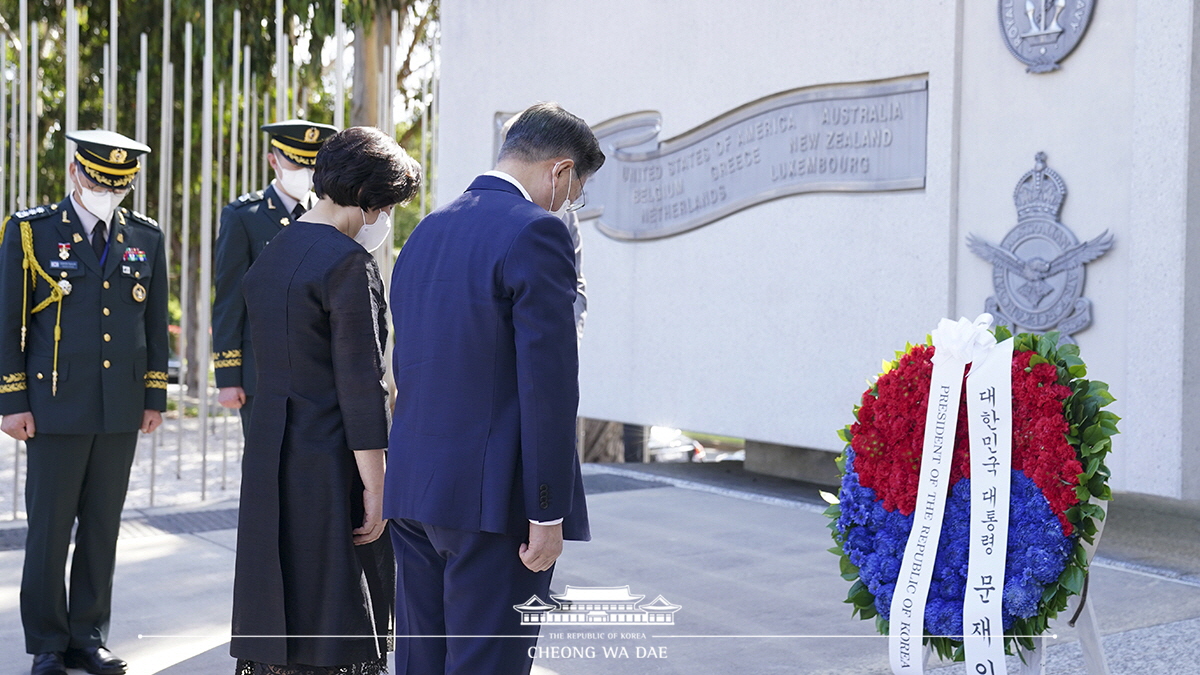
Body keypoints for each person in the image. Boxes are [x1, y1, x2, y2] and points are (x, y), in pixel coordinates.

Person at [384, 101, 604, 675]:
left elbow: (411, 365)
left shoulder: (426, 231)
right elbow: (548, 387)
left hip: (414, 488)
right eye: (574, 190)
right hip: (492, 501)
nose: (568, 204)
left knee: (420, 663)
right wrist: (548, 512)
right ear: (559, 170)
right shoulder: (537, 232)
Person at [230, 126, 421, 675]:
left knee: (278, 601)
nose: (386, 220)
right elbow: (361, 388)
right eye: (387, 206)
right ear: (368, 201)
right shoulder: (346, 264)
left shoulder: (274, 251)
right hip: (329, 460)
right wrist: (378, 487)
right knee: (339, 616)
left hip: (270, 454)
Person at [0, 130, 168, 675]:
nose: (108, 191)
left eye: (119, 184)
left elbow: (153, 324)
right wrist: (11, 401)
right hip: (54, 402)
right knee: (49, 528)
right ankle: (47, 641)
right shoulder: (31, 231)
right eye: (100, 181)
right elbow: (9, 322)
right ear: (77, 172)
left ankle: (87, 635)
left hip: (118, 407)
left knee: (102, 525)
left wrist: (154, 395)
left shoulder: (145, 236)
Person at [213, 120, 338, 440]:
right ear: (273, 160)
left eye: (312, 164)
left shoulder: (330, 214)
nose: (305, 171)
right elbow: (229, 298)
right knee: (266, 468)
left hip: (317, 369)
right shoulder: (244, 216)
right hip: (261, 371)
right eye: (295, 162)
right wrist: (229, 376)